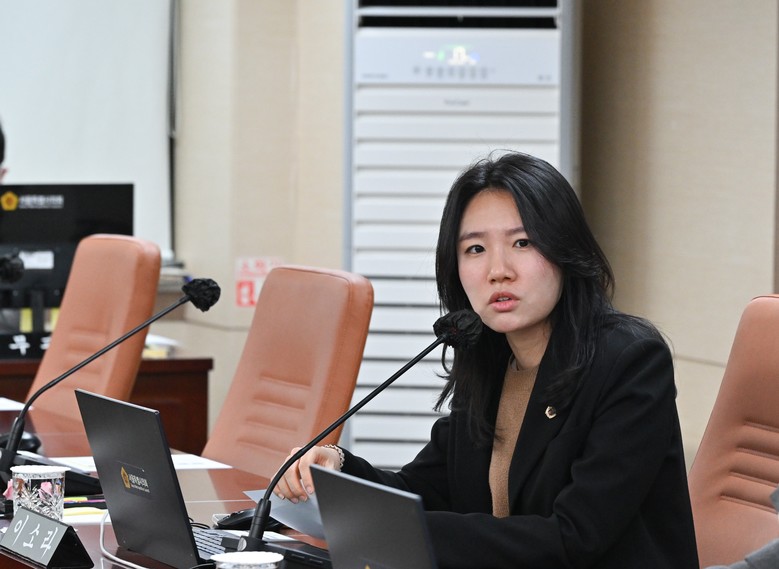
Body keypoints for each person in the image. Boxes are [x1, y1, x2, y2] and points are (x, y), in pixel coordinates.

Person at [275, 152, 699, 568]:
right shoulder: (490, 360)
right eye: (475, 249)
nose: (498, 270)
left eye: (522, 243)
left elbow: (574, 537)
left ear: (565, 249)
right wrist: (337, 469)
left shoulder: (629, 360)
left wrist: (395, 529)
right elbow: (425, 490)